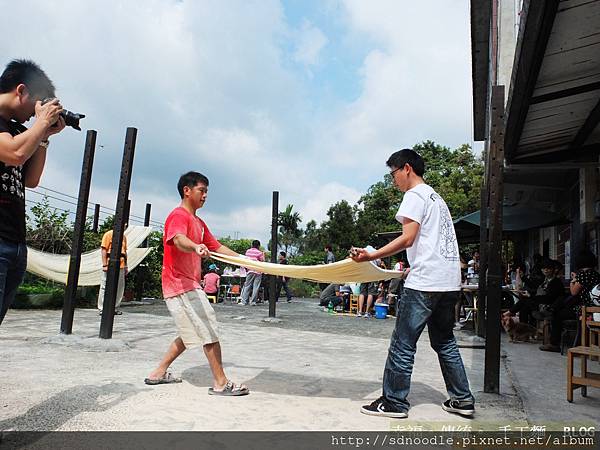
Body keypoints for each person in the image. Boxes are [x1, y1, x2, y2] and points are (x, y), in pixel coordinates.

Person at [351, 148, 474, 418]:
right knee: (445, 341)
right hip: (448, 282)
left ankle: (394, 403)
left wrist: (371, 255)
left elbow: (407, 238)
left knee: (403, 344)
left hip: (425, 283)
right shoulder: (436, 197)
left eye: (393, 173)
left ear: (406, 168)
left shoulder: (414, 196)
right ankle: (462, 399)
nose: (393, 180)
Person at [145, 171, 249, 396]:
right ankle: (221, 383)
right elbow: (178, 239)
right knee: (208, 326)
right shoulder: (178, 216)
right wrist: (194, 246)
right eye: (202, 191)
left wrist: (245, 261)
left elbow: (217, 247)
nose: (205, 196)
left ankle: (158, 372)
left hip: (188, 284)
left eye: (206, 192)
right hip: (180, 284)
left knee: (191, 331)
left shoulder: (199, 223)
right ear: (187, 190)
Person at [0, 60, 66, 325]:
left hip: (14, 241)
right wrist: (40, 124)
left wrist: (45, 136)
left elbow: (31, 179)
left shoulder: (17, 129)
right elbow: (14, 153)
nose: (38, 112)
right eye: (39, 102)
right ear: (21, 90)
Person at [540, 250, 600, 352]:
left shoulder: (583, 274)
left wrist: (573, 280)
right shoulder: (596, 274)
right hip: (595, 308)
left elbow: (574, 292)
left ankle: (554, 343)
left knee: (557, 314)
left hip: (583, 308)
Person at [502, 258, 564, 325]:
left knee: (525, 300)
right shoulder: (544, 279)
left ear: (553, 269)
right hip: (540, 304)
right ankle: (523, 330)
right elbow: (533, 285)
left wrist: (531, 296)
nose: (546, 270)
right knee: (524, 308)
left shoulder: (556, 282)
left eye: (548, 268)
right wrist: (523, 277)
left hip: (548, 307)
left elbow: (548, 298)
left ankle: (507, 314)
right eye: (543, 268)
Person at [97, 227, 128, 315]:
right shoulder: (109, 234)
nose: (124, 226)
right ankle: (102, 308)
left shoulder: (124, 237)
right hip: (110, 263)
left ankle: (114, 307)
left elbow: (125, 252)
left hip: (121, 265)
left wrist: (126, 265)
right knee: (105, 285)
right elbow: (104, 250)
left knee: (119, 287)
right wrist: (104, 264)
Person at [239, 240, 264, 305]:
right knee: (256, 286)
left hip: (250, 270)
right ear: (258, 246)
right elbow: (262, 261)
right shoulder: (259, 253)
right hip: (258, 271)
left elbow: (246, 260)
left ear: (252, 245)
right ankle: (253, 302)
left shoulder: (248, 251)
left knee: (247, 286)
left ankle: (244, 301)